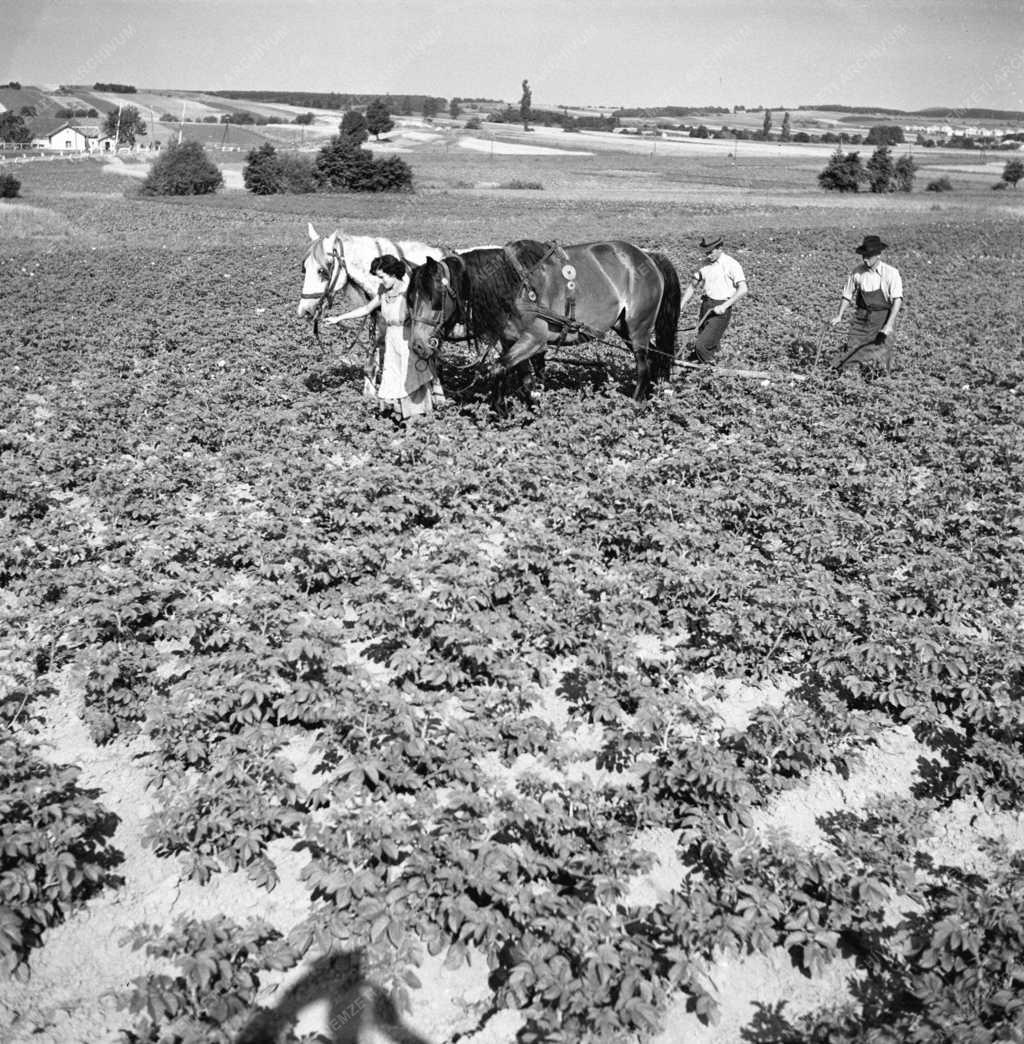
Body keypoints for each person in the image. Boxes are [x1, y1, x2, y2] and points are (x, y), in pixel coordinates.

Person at [326, 254, 445, 422]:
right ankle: (401, 416)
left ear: (393, 274)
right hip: (392, 341)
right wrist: (339, 318)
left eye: (382, 277)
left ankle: (417, 418)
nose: (380, 281)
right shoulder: (384, 291)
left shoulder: (409, 291)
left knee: (410, 377)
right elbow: (367, 309)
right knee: (394, 375)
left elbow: (430, 310)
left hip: (407, 340)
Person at [831, 234, 903, 371]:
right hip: (861, 317)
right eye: (863, 255)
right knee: (852, 350)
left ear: (878, 255)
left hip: (881, 318)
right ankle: (847, 379)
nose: (865, 259)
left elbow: (897, 300)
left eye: (869, 256)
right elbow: (847, 295)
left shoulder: (891, 273)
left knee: (880, 352)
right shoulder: (857, 272)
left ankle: (880, 382)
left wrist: (888, 325)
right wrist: (839, 315)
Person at [679, 235, 748, 364]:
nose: (708, 255)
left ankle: (712, 372)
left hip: (721, 310)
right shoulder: (703, 265)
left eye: (710, 252)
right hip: (706, 307)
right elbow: (692, 287)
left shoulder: (731, 264)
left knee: (702, 345)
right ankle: (717, 365)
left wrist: (724, 306)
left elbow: (743, 289)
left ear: (720, 248)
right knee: (711, 344)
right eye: (706, 252)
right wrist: (681, 305)